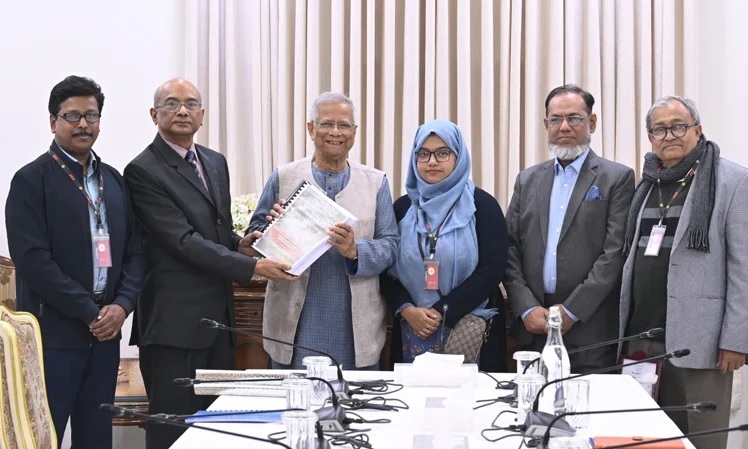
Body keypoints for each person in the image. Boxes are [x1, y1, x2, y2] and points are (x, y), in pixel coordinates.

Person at [124, 78, 295, 449]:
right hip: (173, 325)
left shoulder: (214, 161)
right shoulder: (143, 170)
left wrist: (241, 244)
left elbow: (214, 228)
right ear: (154, 114)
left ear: (202, 114)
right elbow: (182, 241)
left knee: (217, 429)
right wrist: (251, 268)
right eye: (171, 103)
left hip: (218, 320)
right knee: (173, 430)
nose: (182, 111)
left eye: (191, 104)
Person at [5, 75, 146, 449]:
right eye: (72, 116)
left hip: (105, 337)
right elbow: (33, 261)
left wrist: (122, 305)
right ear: (54, 121)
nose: (83, 124)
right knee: (43, 437)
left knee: (96, 438)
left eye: (91, 115)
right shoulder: (31, 180)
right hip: (53, 337)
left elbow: (135, 252)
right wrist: (89, 312)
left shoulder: (114, 180)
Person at [619, 96, 748, 449]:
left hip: (701, 343)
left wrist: (736, 340)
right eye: (659, 130)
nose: (669, 136)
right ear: (650, 137)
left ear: (698, 130)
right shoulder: (648, 182)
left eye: (678, 126)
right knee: (643, 437)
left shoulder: (733, 181)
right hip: (641, 335)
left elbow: (744, 269)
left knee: (700, 438)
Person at [248, 92, 399, 370]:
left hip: (355, 325)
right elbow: (255, 234)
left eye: (344, 125)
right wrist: (274, 227)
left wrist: (356, 250)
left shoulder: (376, 183)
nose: (335, 132)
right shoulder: (284, 176)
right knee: (294, 394)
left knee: (354, 396)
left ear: (354, 132)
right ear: (311, 129)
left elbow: (390, 245)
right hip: (294, 318)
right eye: (327, 124)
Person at [504, 84, 635, 372]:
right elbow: (509, 248)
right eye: (556, 119)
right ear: (546, 125)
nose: (564, 127)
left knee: (589, 401)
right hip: (534, 327)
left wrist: (572, 311)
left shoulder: (617, 178)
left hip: (590, 328)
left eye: (574, 118)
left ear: (592, 122)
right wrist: (526, 307)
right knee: (532, 400)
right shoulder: (527, 180)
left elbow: (614, 254)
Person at [381, 120, 509, 364]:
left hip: (470, 329)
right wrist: (407, 309)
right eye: (423, 154)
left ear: (458, 157)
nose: (432, 161)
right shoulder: (402, 208)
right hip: (412, 327)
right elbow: (384, 268)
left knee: (470, 389)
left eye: (442, 153)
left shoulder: (482, 207)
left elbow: (493, 269)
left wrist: (442, 311)